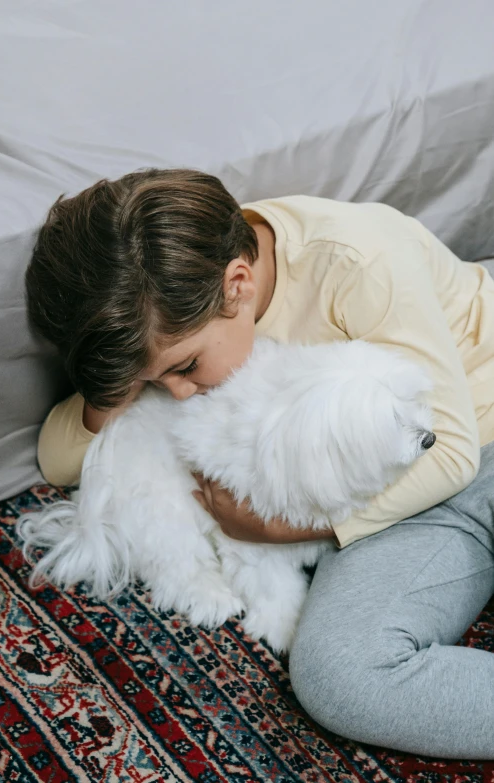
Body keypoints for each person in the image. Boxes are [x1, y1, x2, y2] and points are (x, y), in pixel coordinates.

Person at [26, 168, 494, 759]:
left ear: (239, 284)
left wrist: (275, 527)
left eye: (186, 367)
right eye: (154, 380)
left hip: (471, 433)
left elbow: (450, 454)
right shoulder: (168, 307)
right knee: (338, 677)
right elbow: (58, 456)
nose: (174, 393)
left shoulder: (356, 261)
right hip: (400, 502)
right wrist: (123, 377)